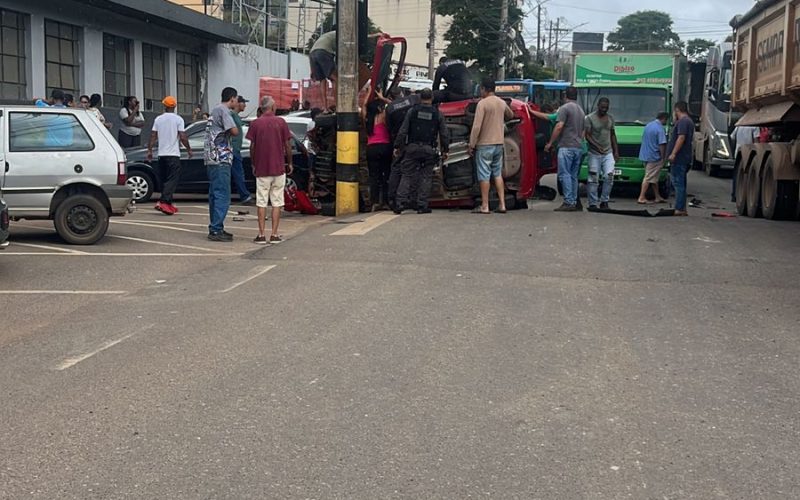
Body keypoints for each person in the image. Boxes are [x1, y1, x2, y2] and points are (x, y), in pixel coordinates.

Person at [393, 88, 450, 214]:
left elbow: (403, 131)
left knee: (407, 175)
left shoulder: (412, 111)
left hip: (412, 148)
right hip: (429, 149)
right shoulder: (437, 113)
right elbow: (444, 134)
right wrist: (445, 150)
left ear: (420, 98)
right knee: (426, 176)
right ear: (432, 98)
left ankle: (400, 203)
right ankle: (422, 205)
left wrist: (397, 146)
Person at [246, 96, 293, 245]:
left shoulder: (255, 124)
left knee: (261, 201)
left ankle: (261, 235)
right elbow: (287, 145)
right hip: (278, 168)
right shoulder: (281, 122)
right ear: (272, 107)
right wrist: (289, 163)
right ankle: (274, 234)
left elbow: (252, 147)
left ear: (261, 108)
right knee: (277, 201)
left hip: (262, 169)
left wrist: (254, 164)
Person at [469, 77, 514, 214]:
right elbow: (511, 115)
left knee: (484, 175)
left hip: (485, 144)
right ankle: (502, 205)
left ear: (483, 89)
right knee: (497, 174)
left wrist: (472, 143)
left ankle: (485, 206)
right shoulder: (501, 103)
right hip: (499, 144)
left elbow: (476, 126)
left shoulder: (482, 104)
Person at [204, 87, 240, 242]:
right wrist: (235, 115)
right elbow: (234, 131)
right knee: (222, 194)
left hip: (211, 158)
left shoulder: (214, 110)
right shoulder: (224, 111)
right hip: (221, 158)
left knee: (215, 194)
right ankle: (216, 229)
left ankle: (216, 226)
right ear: (231, 98)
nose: (237, 102)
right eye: (236, 99)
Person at [147, 96, 192, 216]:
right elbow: (183, 136)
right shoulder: (178, 119)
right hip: (173, 154)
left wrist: (150, 150)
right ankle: (163, 201)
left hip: (161, 154)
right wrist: (189, 149)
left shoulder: (158, 119)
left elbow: (153, 135)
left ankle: (168, 203)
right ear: (175, 106)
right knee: (173, 179)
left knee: (165, 179)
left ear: (164, 106)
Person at [545, 86, 585, 212]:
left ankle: (568, 202)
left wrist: (550, 143)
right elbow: (583, 131)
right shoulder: (581, 110)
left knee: (564, 174)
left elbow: (559, 126)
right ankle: (574, 201)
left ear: (565, 95)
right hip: (578, 147)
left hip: (566, 146)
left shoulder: (565, 108)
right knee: (573, 176)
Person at [584, 97, 619, 210]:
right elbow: (587, 135)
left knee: (609, 176)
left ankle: (604, 201)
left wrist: (616, 151)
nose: (604, 109)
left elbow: (612, 135)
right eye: (602, 107)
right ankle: (592, 203)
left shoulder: (610, 118)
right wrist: (597, 146)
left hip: (608, 152)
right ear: (598, 105)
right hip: (594, 153)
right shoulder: (590, 118)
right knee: (593, 178)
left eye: (606, 107)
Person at [363, 88, 393, 211]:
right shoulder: (383, 116)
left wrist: (368, 93)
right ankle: (385, 202)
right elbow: (393, 105)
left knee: (374, 177)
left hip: (371, 149)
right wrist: (382, 98)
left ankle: (374, 202)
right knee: (386, 175)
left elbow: (364, 105)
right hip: (385, 147)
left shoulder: (367, 119)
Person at [666, 101, 694, 216]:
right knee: (681, 183)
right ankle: (682, 208)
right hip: (685, 157)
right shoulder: (689, 121)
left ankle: (679, 208)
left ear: (677, 110)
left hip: (679, 158)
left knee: (678, 184)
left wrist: (673, 153)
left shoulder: (683, 122)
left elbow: (681, 137)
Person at [637, 112, 669, 204]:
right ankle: (641, 197)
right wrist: (663, 157)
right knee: (648, 177)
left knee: (654, 177)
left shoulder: (648, 126)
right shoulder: (660, 129)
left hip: (645, 155)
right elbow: (662, 144)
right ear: (664, 119)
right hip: (654, 157)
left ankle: (657, 196)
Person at [230, 96, 254, 205]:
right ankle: (244, 196)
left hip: (236, 149)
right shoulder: (231, 115)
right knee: (238, 173)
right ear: (237, 103)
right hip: (233, 149)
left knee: (236, 174)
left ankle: (243, 195)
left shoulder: (236, 116)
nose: (245, 105)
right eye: (243, 102)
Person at [730, 125, 759, 202]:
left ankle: (734, 195)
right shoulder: (755, 126)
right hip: (748, 152)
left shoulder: (739, 125)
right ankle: (743, 195)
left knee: (737, 174)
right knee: (746, 175)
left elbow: (732, 137)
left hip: (738, 152)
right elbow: (756, 141)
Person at [309, 30, 337, 108]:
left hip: (312, 54)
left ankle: (325, 108)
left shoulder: (327, 35)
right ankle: (338, 105)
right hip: (323, 52)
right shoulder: (340, 35)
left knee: (322, 80)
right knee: (335, 79)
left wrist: (312, 71)